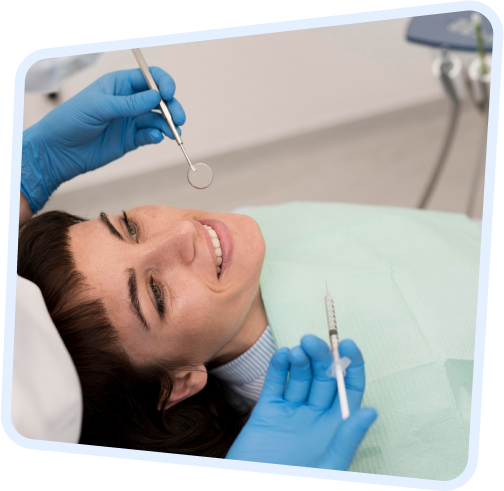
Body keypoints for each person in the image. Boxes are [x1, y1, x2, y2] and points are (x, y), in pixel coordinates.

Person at [16, 67, 376, 468]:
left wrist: (26, 172)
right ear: (181, 383)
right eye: (156, 294)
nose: (183, 233)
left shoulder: (249, 236)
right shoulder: (324, 440)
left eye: (130, 227)